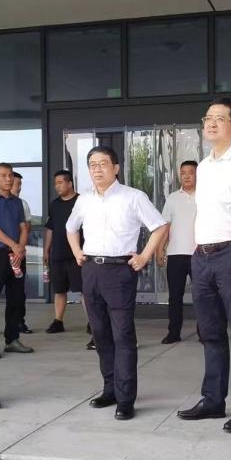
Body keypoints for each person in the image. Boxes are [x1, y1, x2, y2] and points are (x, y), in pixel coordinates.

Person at [178, 98, 231, 434]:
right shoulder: (203, 166)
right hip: (203, 257)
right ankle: (213, 400)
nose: (211, 123)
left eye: (219, 118)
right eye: (207, 118)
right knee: (210, 333)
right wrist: (197, 249)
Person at [66, 145, 167, 420]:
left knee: (123, 335)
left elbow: (159, 226)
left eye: (103, 164)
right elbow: (70, 228)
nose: (97, 169)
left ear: (116, 168)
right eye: (92, 165)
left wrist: (144, 256)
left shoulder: (133, 197)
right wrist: (77, 252)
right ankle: (109, 389)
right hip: (91, 270)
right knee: (100, 334)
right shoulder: (84, 200)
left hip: (120, 271)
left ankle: (125, 398)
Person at [0, 164, 33, 359]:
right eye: (3, 175)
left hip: (17, 255)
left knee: (16, 299)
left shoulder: (17, 202)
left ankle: (12, 339)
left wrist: (20, 248)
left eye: (10, 175)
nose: (8, 179)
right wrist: (14, 245)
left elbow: (23, 227)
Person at [43, 170, 93, 346]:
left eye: (60, 183)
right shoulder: (54, 204)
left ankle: (92, 322)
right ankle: (58, 321)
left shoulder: (82, 201)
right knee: (59, 290)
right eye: (55, 183)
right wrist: (46, 250)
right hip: (57, 254)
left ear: (70, 183)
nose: (57, 186)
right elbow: (50, 228)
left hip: (77, 255)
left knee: (84, 290)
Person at [157, 160, 198, 344]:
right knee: (175, 297)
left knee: (202, 297)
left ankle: (205, 332)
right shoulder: (173, 198)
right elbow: (165, 226)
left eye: (191, 172)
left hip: (200, 254)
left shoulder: (206, 196)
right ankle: (173, 333)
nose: (186, 176)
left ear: (197, 174)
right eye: (183, 173)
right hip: (175, 255)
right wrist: (159, 249)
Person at [11, 171, 34, 334]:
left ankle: (19, 321)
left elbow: (28, 227)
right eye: (15, 184)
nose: (18, 187)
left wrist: (19, 245)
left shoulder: (23, 204)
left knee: (19, 290)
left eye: (20, 184)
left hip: (19, 253)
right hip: (0, 253)